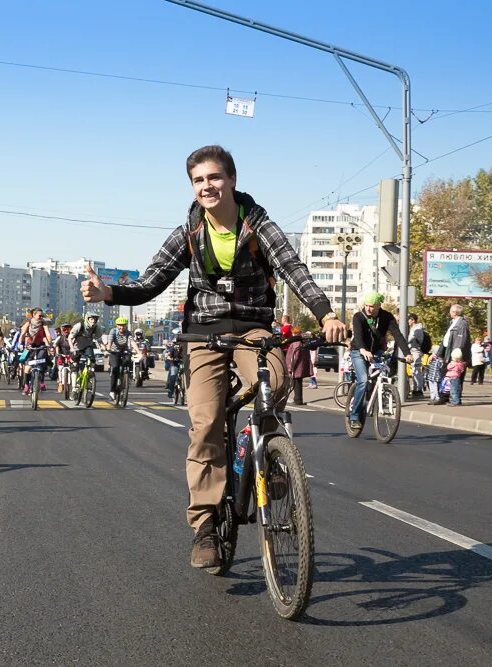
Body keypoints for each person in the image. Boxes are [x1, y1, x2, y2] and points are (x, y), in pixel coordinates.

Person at [82, 145, 347, 571]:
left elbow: (295, 269)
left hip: (252, 328)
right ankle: (205, 526)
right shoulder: (188, 230)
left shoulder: (259, 225)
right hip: (202, 333)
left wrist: (326, 313)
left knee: (274, 382)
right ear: (193, 187)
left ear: (232, 181)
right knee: (205, 423)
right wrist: (109, 294)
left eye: (214, 178)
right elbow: (151, 283)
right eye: (198, 180)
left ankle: (262, 453)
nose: (207, 186)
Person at [348, 292, 413, 429]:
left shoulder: (387, 317)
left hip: (376, 351)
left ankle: (375, 397)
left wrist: (407, 353)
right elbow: (358, 336)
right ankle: (354, 416)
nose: (368, 309)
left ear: (379, 305)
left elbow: (398, 335)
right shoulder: (358, 317)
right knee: (364, 380)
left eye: (372, 306)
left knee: (384, 373)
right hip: (358, 351)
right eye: (366, 305)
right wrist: (362, 349)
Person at [19, 307, 53, 395]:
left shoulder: (43, 323)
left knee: (41, 362)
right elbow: (22, 333)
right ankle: (26, 385)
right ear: (34, 315)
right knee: (27, 368)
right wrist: (20, 344)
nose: (41, 317)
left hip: (41, 345)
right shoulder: (28, 322)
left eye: (42, 316)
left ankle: (41, 381)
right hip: (30, 346)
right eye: (40, 315)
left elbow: (48, 334)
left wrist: (50, 345)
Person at [104, 317, 139, 398]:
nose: (121, 327)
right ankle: (112, 390)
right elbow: (110, 340)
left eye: (123, 325)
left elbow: (132, 342)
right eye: (120, 325)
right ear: (117, 325)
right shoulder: (113, 331)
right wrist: (108, 348)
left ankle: (127, 378)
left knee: (128, 362)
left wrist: (138, 351)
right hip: (114, 352)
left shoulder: (128, 333)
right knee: (115, 367)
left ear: (125, 326)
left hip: (124, 351)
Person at [442, 303, 472, 392]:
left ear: (455, 312)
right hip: (449, 352)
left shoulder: (462, 323)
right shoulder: (452, 322)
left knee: (456, 376)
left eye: (450, 311)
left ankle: (455, 398)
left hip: (456, 355)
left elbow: (461, 340)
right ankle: (448, 395)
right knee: (449, 375)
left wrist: (455, 356)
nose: (449, 313)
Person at [285, 327, 313, 405]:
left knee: (296, 383)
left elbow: (295, 355)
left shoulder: (296, 342)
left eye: (293, 333)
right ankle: (298, 399)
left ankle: (297, 399)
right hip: (301, 366)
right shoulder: (303, 341)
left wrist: (290, 367)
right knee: (298, 382)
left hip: (296, 366)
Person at [406, 312, 429, 399]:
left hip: (415, 352)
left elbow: (408, 339)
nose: (407, 321)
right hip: (415, 351)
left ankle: (418, 390)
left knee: (415, 370)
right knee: (415, 370)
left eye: (408, 319)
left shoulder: (416, 329)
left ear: (412, 320)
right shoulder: (415, 328)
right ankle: (416, 389)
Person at [164, 335, 182, 400]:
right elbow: (168, 355)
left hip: (183, 364)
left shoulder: (184, 348)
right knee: (173, 377)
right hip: (175, 364)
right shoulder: (172, 348)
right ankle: (170, 393)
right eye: (176, 343)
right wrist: (171, 358)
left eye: (179, 343)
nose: (178, 345)